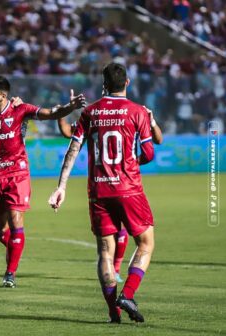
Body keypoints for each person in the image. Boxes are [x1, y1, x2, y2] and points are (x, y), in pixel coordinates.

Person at [49, 63, 156, 323]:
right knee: (145, 242)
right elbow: (149, 154)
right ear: (127, 83)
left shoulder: (90, 112)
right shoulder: (138, 112)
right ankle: (128, 294)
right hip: (129, 188)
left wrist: (61, 186)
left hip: (98, 191)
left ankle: (113, 313)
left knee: (105, 253)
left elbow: (72, 151)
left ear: (103, 84)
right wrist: (130, 162)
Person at [0, 75, 86, 288]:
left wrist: (70, 107)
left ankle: (10, 273)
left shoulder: (20, 110)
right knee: (0, 230)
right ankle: (14, 247)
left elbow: (51, 113)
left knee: (16, 220)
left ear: (2, 95)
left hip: (17, 174)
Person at [57, 105, 162, 283]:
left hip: (102, 185)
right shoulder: (128, 111)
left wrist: (152, 121)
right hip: (125, 185)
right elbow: (155, 145)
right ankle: (119, 276)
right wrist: (62, 115)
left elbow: (158, 138)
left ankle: (115, 278)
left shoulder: (94, 113)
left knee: (111, 240)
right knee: (136, 238)